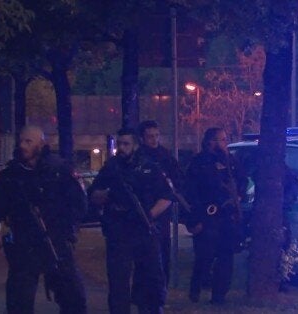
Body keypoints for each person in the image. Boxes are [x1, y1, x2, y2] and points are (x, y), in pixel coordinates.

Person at [0, 126, 88, 314]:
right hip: (24, 245)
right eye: (21, 141)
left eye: (28, 142)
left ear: (41, 144)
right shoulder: (11, 176)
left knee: (74, 299)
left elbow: (79, 204)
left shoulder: (59, 171)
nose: (22, 145)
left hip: (56, 243)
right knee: (19, 301)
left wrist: (69, 231)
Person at [88, 127, 172, 314]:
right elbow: (94, 194)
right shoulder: (111, 168)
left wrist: (149, 215)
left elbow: (166, 197)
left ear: (135, 145)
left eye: (126, 144)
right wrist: (109, 194)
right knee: (118, 280)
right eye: (120, 144)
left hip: (144, 228)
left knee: (150, 277)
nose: (122, 148)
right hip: (119, 229)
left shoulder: (150, 167)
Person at [185, 127, 247, 305]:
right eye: (220, 140)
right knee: (204, 256)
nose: (223, 143)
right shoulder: (199, 163)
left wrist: (239, 195)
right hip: (207, 215)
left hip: (226, 216)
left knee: (226, 256)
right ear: (210, 142)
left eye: (224, 140)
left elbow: (242, 180)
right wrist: (195, 219)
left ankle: (219, 295)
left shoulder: (231, 162)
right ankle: (196, 287)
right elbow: (191, 191)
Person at [135, 120, 184, 284]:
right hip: (140, 210)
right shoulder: (137, 158)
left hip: (161, 211)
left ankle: (161, 287)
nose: (154, 140)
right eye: (150, 136)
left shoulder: (165, 156)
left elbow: (176, 183)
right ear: (142, 138)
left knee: (162, 250)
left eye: (156, 135)